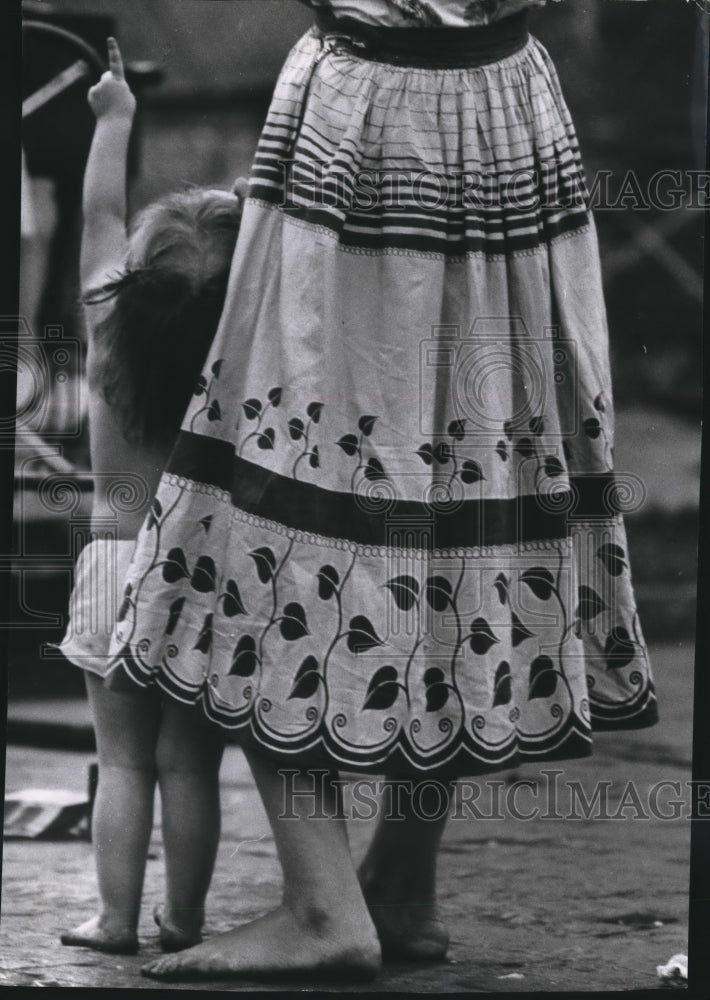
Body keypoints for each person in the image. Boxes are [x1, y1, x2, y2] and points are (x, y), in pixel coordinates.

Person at [103, 1, 658, 981]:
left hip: (367, 116)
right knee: (455, 479)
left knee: (266, 514)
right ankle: (400, 880)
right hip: (501, 106)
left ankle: (324, 901)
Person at [58, 38, 245, 956]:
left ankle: (114, 919)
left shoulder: (105, 335)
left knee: (121, 760)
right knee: (188, 764)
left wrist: (116, 119)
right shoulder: (238, 364)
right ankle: (187, 921)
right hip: (203, 575)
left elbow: (96, 215)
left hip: (111, 565)